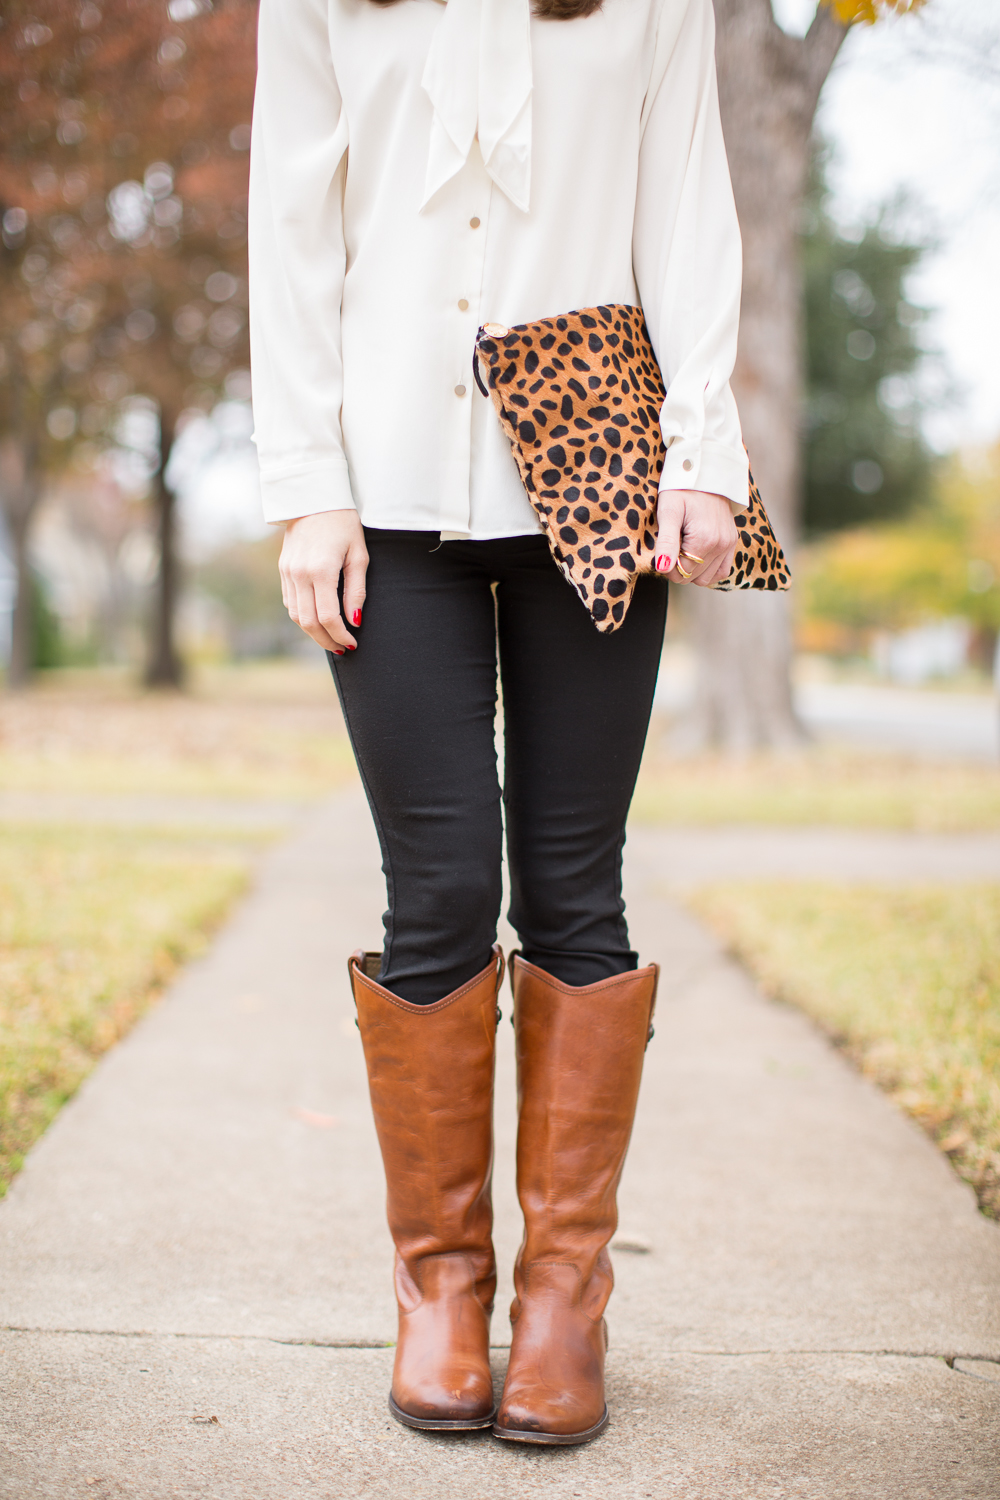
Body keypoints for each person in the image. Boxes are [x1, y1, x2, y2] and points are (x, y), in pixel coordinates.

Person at [249, 0, 746, 1447]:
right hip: (383, 488)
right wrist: (304, 485)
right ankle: (442, 1293)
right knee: (444, 888)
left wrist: (702, 452)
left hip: (597, 467)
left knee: (577, 891)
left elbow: (690, 206)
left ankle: (563, 1303)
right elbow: (291, 220)